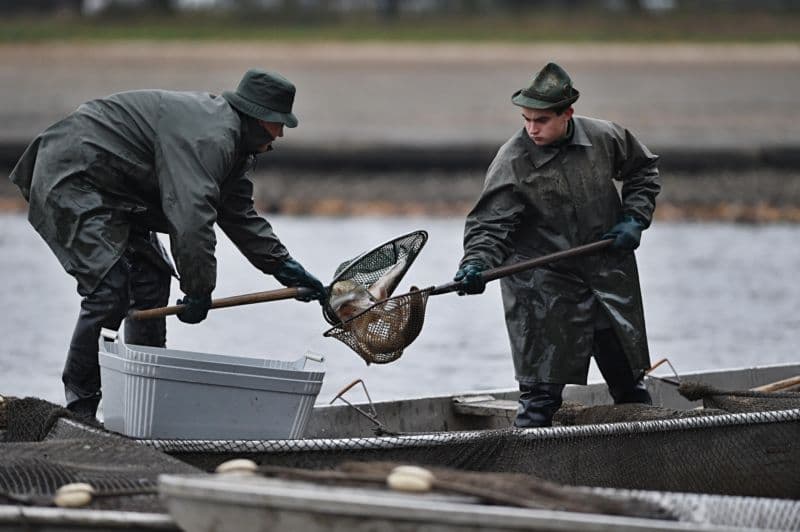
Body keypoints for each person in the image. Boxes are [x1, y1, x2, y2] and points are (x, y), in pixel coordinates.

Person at [9, 69, 327, 419]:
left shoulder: (236, 149)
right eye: (276, 123)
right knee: (108, 290)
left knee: (150, 281)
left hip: (120, 192)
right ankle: (80, 404)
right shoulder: (211, 138)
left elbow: (238, 216)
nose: (280, 133)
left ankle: (141, 404)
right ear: (255, 117)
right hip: (73, 175)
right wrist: (198, 290)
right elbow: (191, 220)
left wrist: (286, 269)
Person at [453, 62, 661, 428]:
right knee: (539, 398)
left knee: (630, 385)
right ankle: (525, 470)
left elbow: (643, 171)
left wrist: (634, 218)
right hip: (542, 288)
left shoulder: (605, 137)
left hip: (606, 277)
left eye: (542, 120)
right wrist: (475, 264)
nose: (532, 129)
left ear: (568, 114)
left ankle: (645, 452)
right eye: (526, 119)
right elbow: (490, 225)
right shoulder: (513, 161)